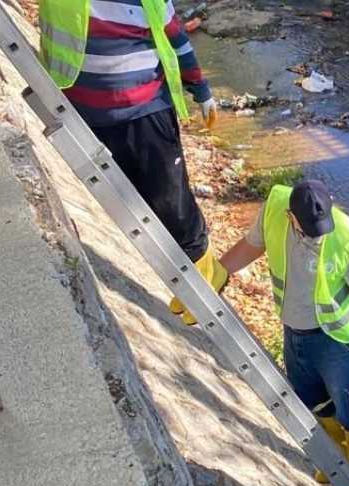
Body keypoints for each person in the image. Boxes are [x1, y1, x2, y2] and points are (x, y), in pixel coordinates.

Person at [38, 0, 224, 324]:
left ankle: (205, 275)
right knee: (131, 202)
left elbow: (175, 37)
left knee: (170, 202)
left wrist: (201, 89)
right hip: (86, 115)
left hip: (145, 111)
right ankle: (185, 275)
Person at [217, 180, 349, 486]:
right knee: (312, 399)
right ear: (291, 217)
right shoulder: (275, 209)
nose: (318, 235)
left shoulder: (346, 237)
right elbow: (252, 245)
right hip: (294, 331)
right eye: (309, 229)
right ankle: (337, 458)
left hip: (336, 340)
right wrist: (218, 272)